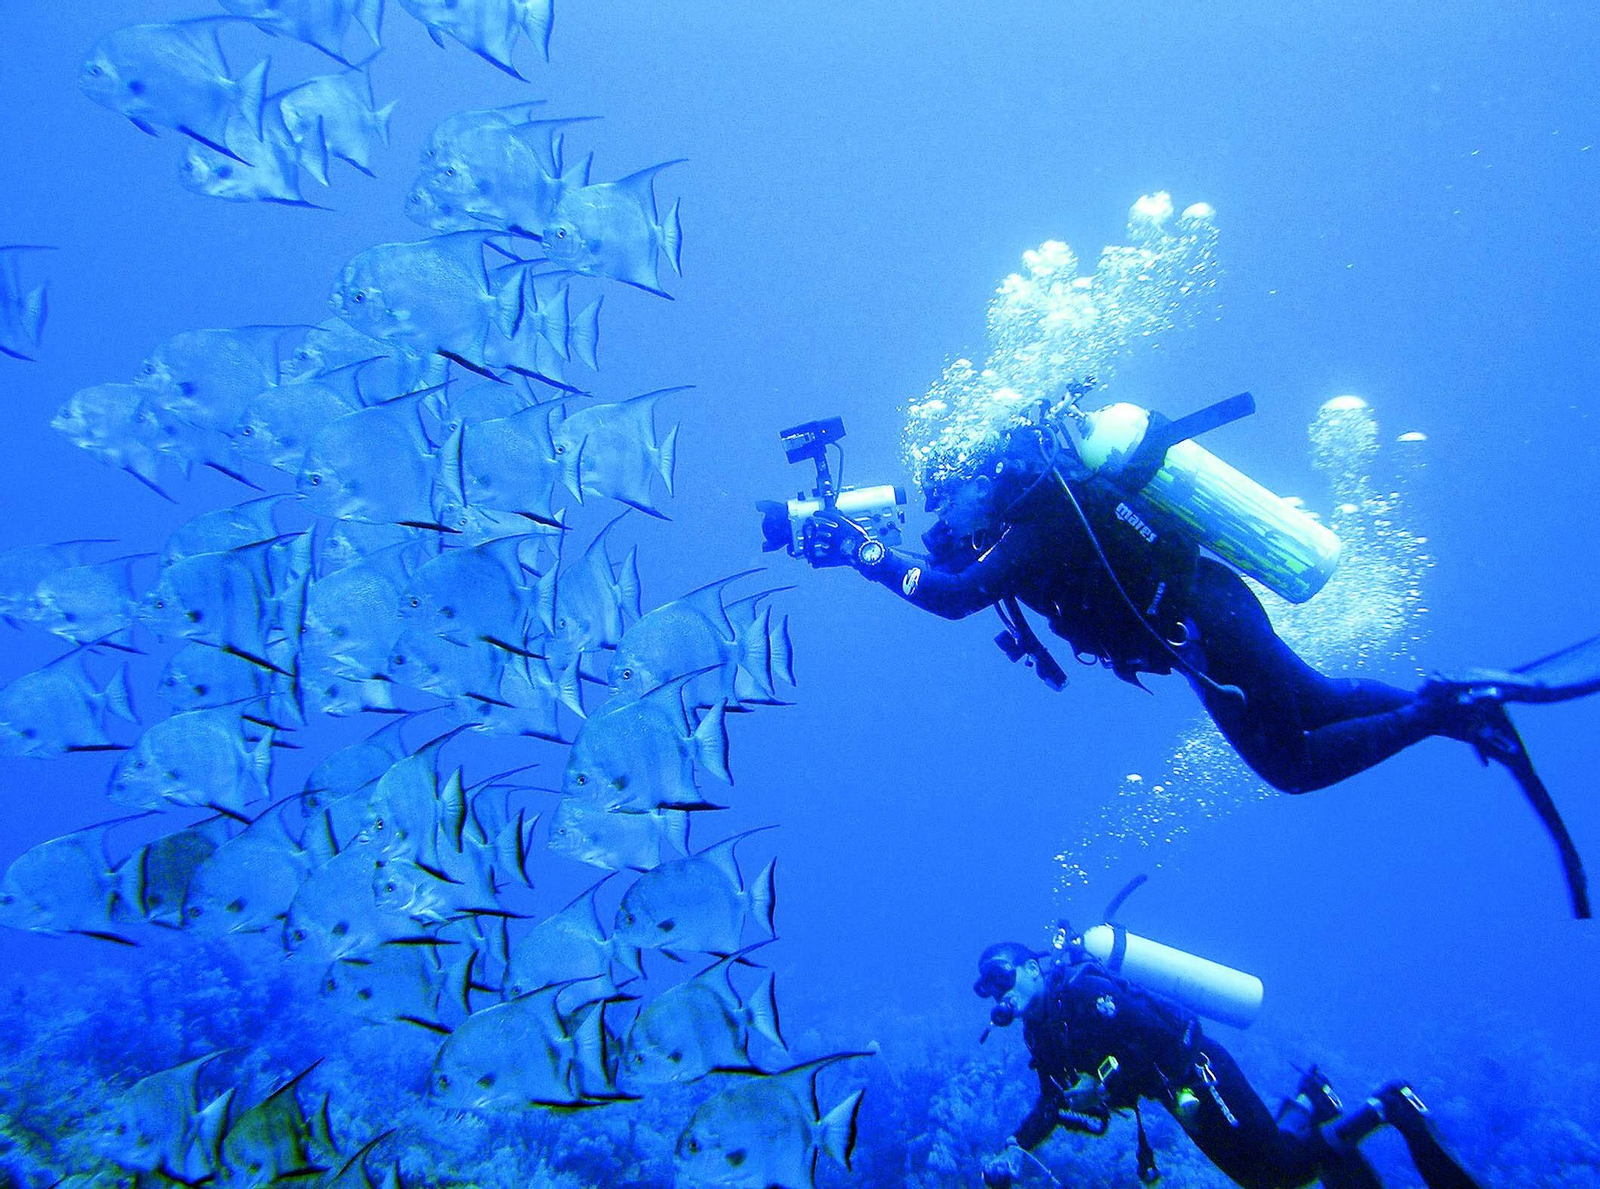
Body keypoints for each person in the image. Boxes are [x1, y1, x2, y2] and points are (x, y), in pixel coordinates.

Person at [796, 412, 1596, 916]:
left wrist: (865, 555)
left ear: (983, 479)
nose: (946, 517)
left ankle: (1439, 711)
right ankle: (1456, 712)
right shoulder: (1030, 517)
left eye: (950, 495)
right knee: (1317, 699)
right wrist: (869, 544)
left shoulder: (1039, 520)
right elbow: (951, 570)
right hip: (1210, 606)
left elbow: (954, 597)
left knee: (1293, 765)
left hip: (1203, 623)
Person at [972, 939, 1482, 1189]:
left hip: (1199, 1071)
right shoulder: (1042, 1033)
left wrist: (1102, 1085)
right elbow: (1051, 1102)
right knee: (1265, 1181)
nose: (1000, 994)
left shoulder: (1085, 991)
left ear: (1032, 968)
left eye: (1003, 978)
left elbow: (1156, 1037)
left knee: (1284, 1172)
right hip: (1178, 1098)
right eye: (991, 990)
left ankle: (1390, 1104)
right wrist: (1016, 1146)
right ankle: (1313, 1100)